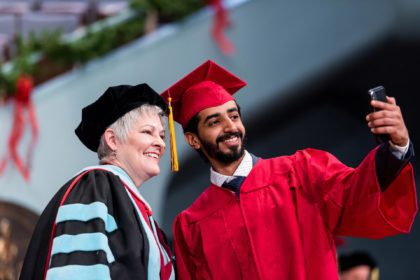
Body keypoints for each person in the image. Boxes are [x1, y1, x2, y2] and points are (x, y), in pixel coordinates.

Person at [161, 60, 417, 279]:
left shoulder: (301, 172)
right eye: (215, 121)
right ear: (193, 139)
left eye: (234, 116)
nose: (230, 127)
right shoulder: (191, 225)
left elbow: (357, 192)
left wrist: (396, 147)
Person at [20, 84, 174, 280]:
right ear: (112, 139)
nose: (161, 143)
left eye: (161, 135)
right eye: (147, 132)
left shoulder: (130, 200)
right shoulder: (95, 186)